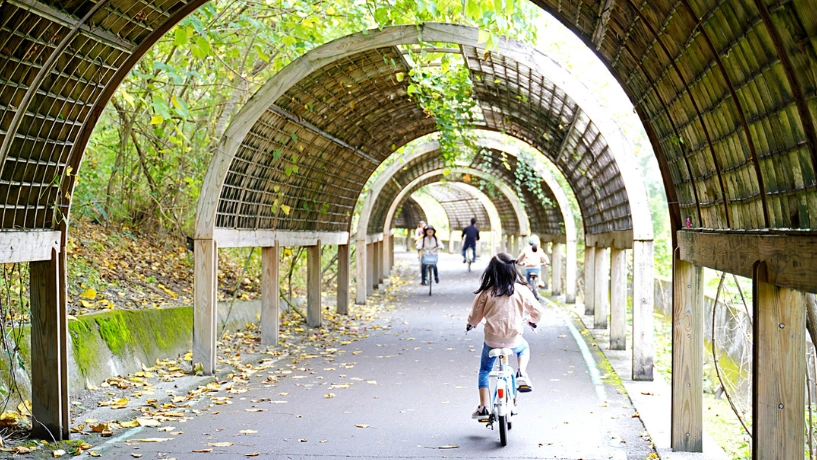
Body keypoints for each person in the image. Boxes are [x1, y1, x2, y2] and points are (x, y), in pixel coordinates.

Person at [466, 252, 542, 419]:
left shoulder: (486, 292)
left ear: (491, 271)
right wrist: (532, 321)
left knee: (485, 370)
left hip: (492, 341)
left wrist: (471, 324)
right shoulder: (521, 290)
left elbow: (475, 316)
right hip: (514, 340)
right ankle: (521, 372)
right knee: (524, 348)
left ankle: (484, 406)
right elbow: (537, 311)